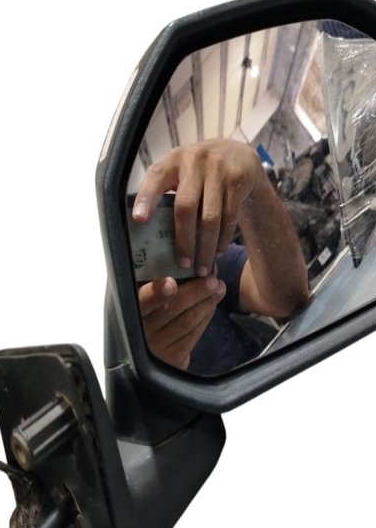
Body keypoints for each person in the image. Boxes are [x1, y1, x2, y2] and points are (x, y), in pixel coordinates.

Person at [131, 139, 309, 374]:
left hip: (283, 371)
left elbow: (288, 298)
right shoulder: (117, 338)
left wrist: (255, 184)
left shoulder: (183, 257)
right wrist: (153, 376)